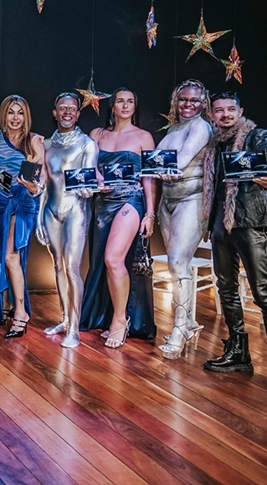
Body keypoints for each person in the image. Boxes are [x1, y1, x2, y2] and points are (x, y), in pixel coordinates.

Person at [201, 92, 267, 398]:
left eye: (231, 109)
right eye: (219, 110)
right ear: (212, 114)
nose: (225, 114)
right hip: (220, 223)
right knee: (226, 289)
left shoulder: (257, 136)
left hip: (251, 221)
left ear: (240, 111)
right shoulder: (214, 144)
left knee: (264, 293)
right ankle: (238, 352)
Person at [79, 88, 157, 347]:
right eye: (120, 101)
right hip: (102, 204)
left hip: (130, 200)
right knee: (104, 262)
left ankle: (120, 320)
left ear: (135, 106)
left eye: (130, 101)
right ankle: (110, 315)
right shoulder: (96, 134)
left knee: (113, 259)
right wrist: (97, 178)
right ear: (112, 106)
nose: (125, 105)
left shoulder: (143, 137)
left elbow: (149, 178)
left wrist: (150, 213)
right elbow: (88, 167)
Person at [156, 80, 212, 359]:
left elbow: (180, 160)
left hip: (192, 199)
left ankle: (179, 329)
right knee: (177, 264)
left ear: (204, 104)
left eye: (194, 100)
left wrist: (159, 167)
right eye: (183, 99)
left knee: (178, 263)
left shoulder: (201, 127)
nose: (188, 104)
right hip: (167, 200)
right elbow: (157, 163)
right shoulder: (173, 128)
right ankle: (188, 321)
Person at [0, 96, 45, 337]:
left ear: (26, 116)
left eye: (20, 113)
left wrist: (32, 187)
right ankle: (7, 306)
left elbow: (40, 180)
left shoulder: (34, 141)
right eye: (11, 112)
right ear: (3, 115)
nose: (15, 118)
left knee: (10, 257)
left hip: (22, 203)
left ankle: (21, 311)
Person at [38, 92, 98, 349]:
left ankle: (75, 328)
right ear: (55, 113)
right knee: (58, 267)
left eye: (72, 108)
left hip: (76, 210)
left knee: (72, 268)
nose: (67, 112)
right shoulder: (46, 144)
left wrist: (88, 188)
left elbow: (89, 179)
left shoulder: (87, 144)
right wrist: (39, 218)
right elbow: (43, 183)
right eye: (62, 108)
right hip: (51, 210)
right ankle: (64, 319)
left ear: (78, 114)